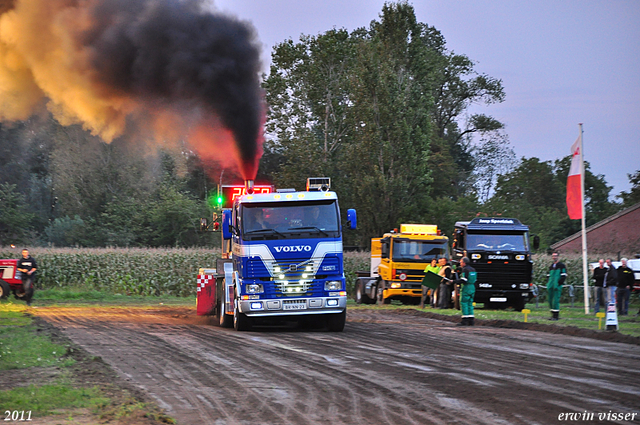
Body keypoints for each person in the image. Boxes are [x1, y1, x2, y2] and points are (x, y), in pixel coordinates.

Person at [454, 257, 476, 326]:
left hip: (466, 287)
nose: (460, 263)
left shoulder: (465, 269)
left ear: (464, 263)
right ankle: (471, 320)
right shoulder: (473, 269)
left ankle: (465, 320)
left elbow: (464, 280)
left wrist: (454, 281)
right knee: (470, 303)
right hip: (472, 287)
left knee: (464, 303)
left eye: (461, 262)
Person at [546, 252, 567, 321]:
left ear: (558, 257)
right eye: (553, 256)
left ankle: (556, 316)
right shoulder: (551, 266)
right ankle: (552, 315)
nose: (554, 257)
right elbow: (548, 276)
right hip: (551, 286)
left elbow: (564, 275)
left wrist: (559, 283)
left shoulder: (561, 265)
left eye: (555, 256)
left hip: (557, 286)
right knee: (550, 300)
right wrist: (548, 283)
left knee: (555, 300)